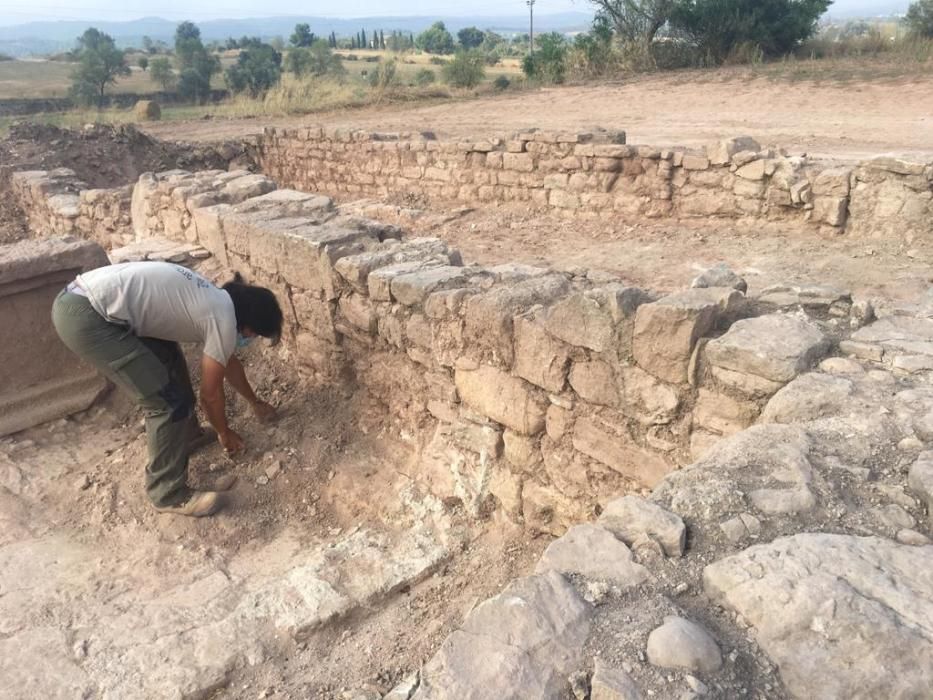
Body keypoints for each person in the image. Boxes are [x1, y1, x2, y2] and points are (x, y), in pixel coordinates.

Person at [51, 262, 283, 518]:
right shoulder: (222, 319)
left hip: (85, 300)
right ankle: (167, 493)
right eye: (255, 335)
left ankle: (186, 435)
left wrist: (255, 402)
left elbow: (227, 361)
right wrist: (224, 433)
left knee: (169, 359)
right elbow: (211, 395)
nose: (250, 340)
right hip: (89, 318)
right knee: (166, 402)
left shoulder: (217, 301)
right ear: (249, 326)